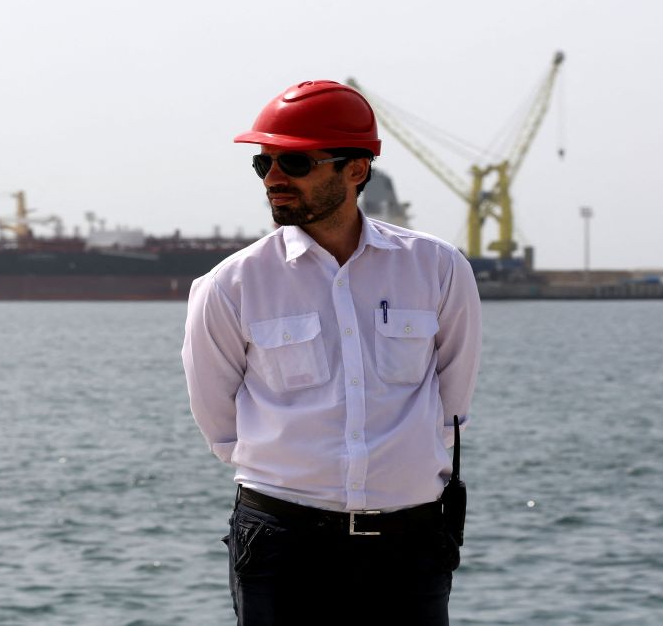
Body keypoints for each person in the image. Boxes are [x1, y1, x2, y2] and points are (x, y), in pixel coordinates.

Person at [181, 80, 482, 625]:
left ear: (356, 170)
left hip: (410, 548)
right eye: (262, 163)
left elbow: (452, 403)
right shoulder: (230, 285)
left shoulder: (437, 269)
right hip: (281, 548)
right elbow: (219, 424)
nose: (273, 177)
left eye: (293, 163)